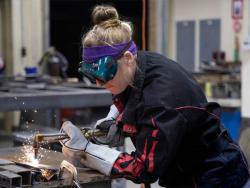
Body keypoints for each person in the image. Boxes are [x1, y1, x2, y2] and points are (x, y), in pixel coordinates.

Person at [60, 5, 250, 188]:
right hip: (184, 169)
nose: (99, 84)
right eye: (93, 77)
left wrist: (88, 151)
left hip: (213, 177)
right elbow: (130, 93)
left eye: (104, 75)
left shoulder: (160, 102)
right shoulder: (139, 62)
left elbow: (143, 168)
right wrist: (115, 119)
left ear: (127, 58)